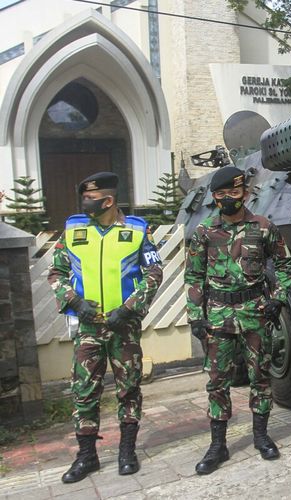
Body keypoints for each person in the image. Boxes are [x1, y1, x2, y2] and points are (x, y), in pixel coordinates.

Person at [48, 172, 163, 483]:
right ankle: (87, 456)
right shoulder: (73, 229)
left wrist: (129, 309)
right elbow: (56, 272)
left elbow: (154, 272)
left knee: (129, 388)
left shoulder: (137, 230)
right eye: (84, 197)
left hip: (123, 327)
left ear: (108, 200)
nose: (84, 202)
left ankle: (127, 451)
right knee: (84, 392)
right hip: (88, 327)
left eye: (90, 198)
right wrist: (74, 301)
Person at [184, 166, 291, 475]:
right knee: (218, 381)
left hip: (255, 312)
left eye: (234, 193)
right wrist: (195, 316)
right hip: (218, 316)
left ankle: (261, 436)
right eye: (221, 194)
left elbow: (285, 263)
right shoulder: (205, 232)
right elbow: (192, 276)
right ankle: (218, 446)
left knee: (260, 376)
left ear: (245, 193)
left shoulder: (263, 227)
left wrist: (278, 298)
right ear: (214, 197)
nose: (228, 199)